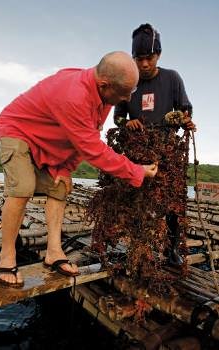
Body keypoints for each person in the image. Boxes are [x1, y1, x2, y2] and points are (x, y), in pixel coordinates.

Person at [0, 51, 158, 287]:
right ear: (104, 84)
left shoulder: (103, 95)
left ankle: (53, 252)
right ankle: (6, 257)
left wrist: (66, 167)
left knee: (60, 187)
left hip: (49, 139)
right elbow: (92, 148)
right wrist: (137, 171)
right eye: (123, 94)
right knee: (23, 186)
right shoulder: (75, 95)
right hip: (17, 129)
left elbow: (86, 135)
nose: (126, 99)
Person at [113, 24, 196, 265]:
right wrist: (126, 124)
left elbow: (185, 109)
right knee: (136, 202)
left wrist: (183, 119)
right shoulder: (130, 82)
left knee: (172, 202)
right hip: (137, 153)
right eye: (139, 59)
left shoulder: (172, 78)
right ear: (133, 59)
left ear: (158, 55)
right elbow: (118, 116)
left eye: (149, 58)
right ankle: (138, 248)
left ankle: (171, 250)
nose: (144, 64)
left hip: (167, 152)